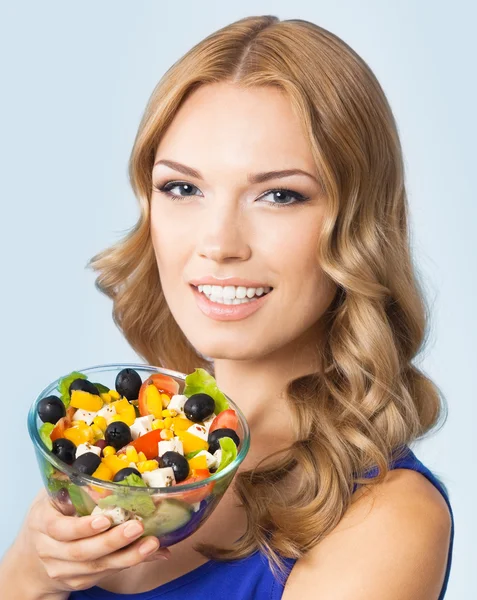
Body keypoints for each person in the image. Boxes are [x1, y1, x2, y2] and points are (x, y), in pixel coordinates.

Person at [0, 14, 454, 600]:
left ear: (356, 228)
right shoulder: (115, 460)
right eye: (183, 188)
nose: (218, 244)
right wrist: (31, 575)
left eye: (279, 195)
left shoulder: (387, 518)